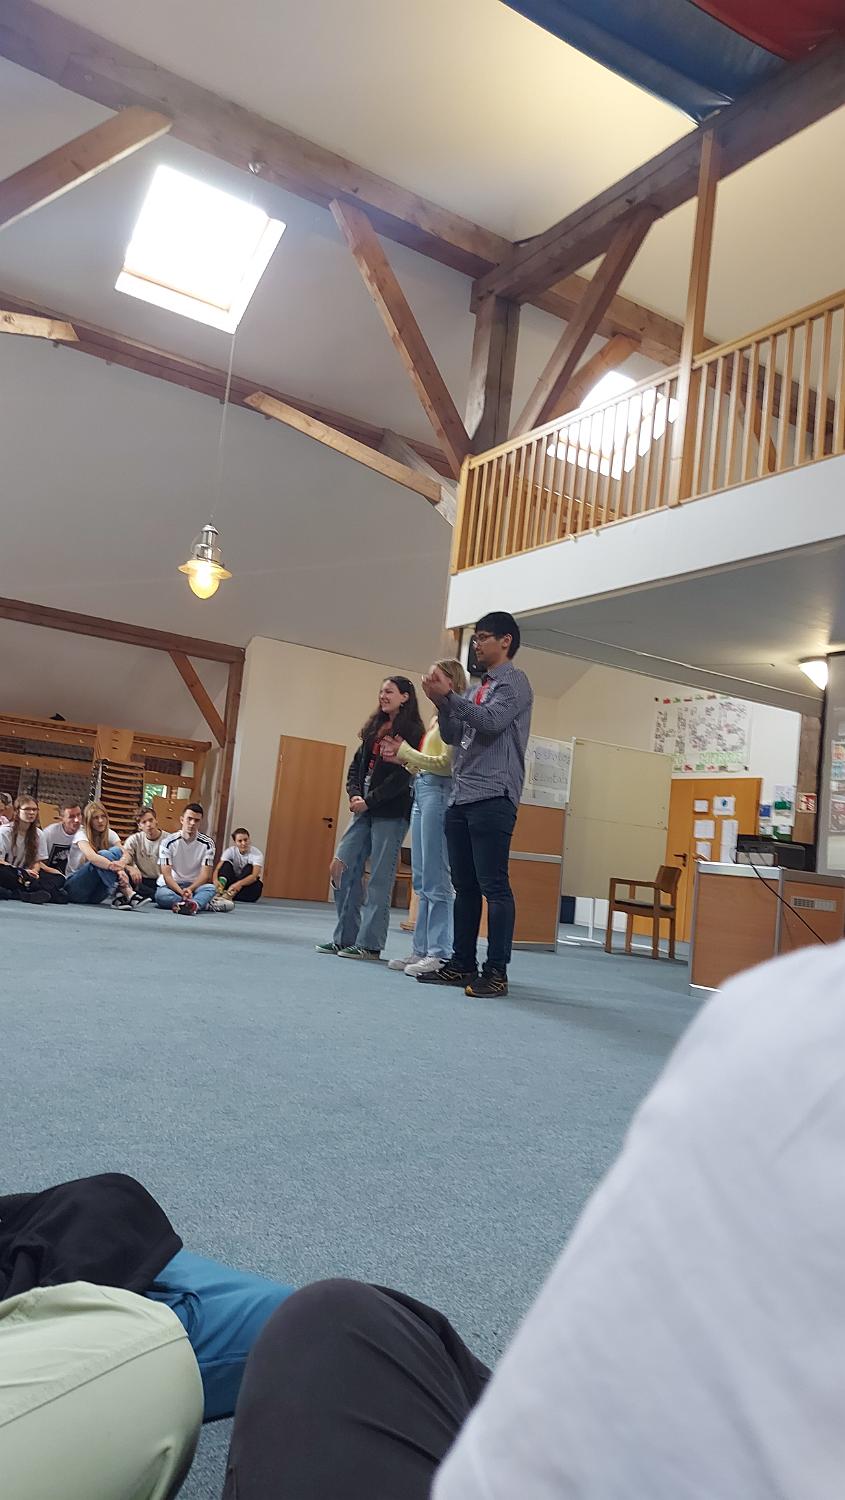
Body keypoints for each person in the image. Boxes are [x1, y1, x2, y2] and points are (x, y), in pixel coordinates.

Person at [222, 939, 845, 1500]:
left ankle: (481, 964)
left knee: (326, 1328)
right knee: (341, 1320)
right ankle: (455, 958)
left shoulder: (792, 1028)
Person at [417, 612, 532, 998]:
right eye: (476, 638)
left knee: (494, 885)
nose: (476, 644)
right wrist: (441, 703)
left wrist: (450, 697)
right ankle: (461, 963)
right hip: (461, 795)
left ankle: (496, 971)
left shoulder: (514, 682)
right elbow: (454, 735)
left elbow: (491, 722)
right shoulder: (476, 689)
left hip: (493, 794)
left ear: (505, 641)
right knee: (463, 885)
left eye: (483, 637)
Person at [316, 677, 424, 961]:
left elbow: (403, 777)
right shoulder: (374, 727)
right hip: (362, 808)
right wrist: (354, 794)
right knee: (341, 867)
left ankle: (370, 944)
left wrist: (370, 800)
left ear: (405, 696)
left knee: (379, 878)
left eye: (389, 691)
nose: (382, 695)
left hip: (390, 812)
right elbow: (356, 766)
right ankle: (344, 938)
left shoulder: (413, 732)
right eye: (381, 691)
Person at [382, 658, 468, 977]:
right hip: (422, 789)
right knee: (421, 877)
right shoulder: (436, 718)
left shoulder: (454, 716)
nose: (426, 680)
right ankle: (420, 950)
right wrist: (405, 760)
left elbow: (446, 764)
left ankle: (439, 953)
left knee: (436, 877)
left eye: (435, 677)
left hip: (439, 793)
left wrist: (406, 752)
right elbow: (427, 761)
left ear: (451, 682)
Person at [65, 801, 147, 909]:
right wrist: (119, 870)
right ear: (89, 820)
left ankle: (120, 895)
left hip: (95, 896)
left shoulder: (110, 833)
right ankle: (126, 892)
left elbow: (125, 853)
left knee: (116, 851)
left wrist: (126, 866)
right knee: (102, 855)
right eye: (95, 818)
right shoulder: (80, 833)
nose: (100, 821)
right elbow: (93, 857)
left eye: (103, 816)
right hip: (75, 889)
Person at [155, 803, 231, 914]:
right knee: (161, 896)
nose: (192, 823)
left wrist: (190, 889)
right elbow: (167, 876)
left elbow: (205, 875)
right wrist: (181, 892)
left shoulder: (208, 843)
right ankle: (200, 904)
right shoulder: (167, 842)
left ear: (200, 822)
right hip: (173, 887)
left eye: (196, 820)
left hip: (195, 886)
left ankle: (189, 904)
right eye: (189, 819)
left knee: (211, 888)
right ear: (182, 820)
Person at [0, 795, 67, 904]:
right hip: (12, 872)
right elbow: (1, 861)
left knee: (58, 879)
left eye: (34, 809)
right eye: (27, 809)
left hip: (27, 874)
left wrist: (34, 872)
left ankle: (26, 889)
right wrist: (22, 872)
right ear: (17, 811)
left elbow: (37, 862)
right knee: (3, 872)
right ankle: (24, 893)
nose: (31, 812)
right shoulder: (4, 832)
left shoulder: (39, 834)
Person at [123, 804, 165, 901]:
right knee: (123, 875)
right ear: (139, 826)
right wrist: (131, 868)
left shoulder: (168, 839)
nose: (148, 824)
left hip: (161, 880)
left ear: (156, 821)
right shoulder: (134, 839)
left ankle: (150, 896)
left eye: (151, 820)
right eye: (144, 822)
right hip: (141, 880)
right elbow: (124, 859)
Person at [213, 826, 265, 903]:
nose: (243, 843)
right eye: (240, 841)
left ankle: (229, 894)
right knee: (226, 864)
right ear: (235, 843)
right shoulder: (229, 851)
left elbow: (254, 876)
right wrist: (215, 880)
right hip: (231, 882)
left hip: (245, 884)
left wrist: (238, 884)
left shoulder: (257, 854)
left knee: (250, 868)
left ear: (249, 839)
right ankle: (221, 891)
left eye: (245, 840)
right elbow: (217, 869)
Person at [42, 802, 83, 876]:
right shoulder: (49, 833)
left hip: (76, 876)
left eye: (79, 815)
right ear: (62, 819)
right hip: (52, 875)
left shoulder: (85, 833)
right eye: (71, 817)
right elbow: (39, 862)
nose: (76, 820)